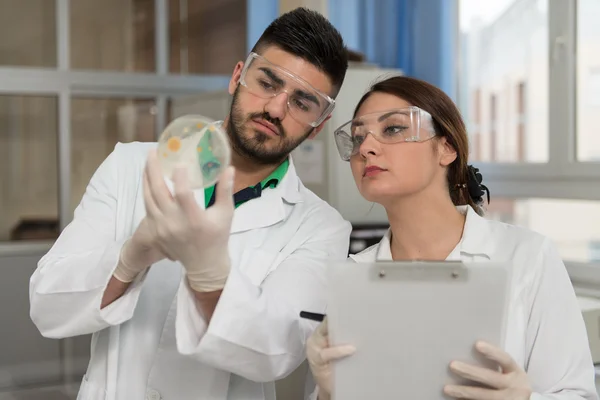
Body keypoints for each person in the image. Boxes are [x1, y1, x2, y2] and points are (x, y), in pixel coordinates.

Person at [29, 7, 351, 400]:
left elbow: (278, 352)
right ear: (237, 77)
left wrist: (210, 276)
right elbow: (47, 303)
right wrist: (129, 258)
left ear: (318, 126)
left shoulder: (321, 227)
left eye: (303, 103)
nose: (275, 109)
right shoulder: (131, 164)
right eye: (267, 82)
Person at [306, 76, 598, 400]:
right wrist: (329, 394)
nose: (366, 148)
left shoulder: (527, 257)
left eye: (393, 129)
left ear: (446, 148)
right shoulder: (352, 278)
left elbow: (578, 395)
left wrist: (524, 399)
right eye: (357, 137)